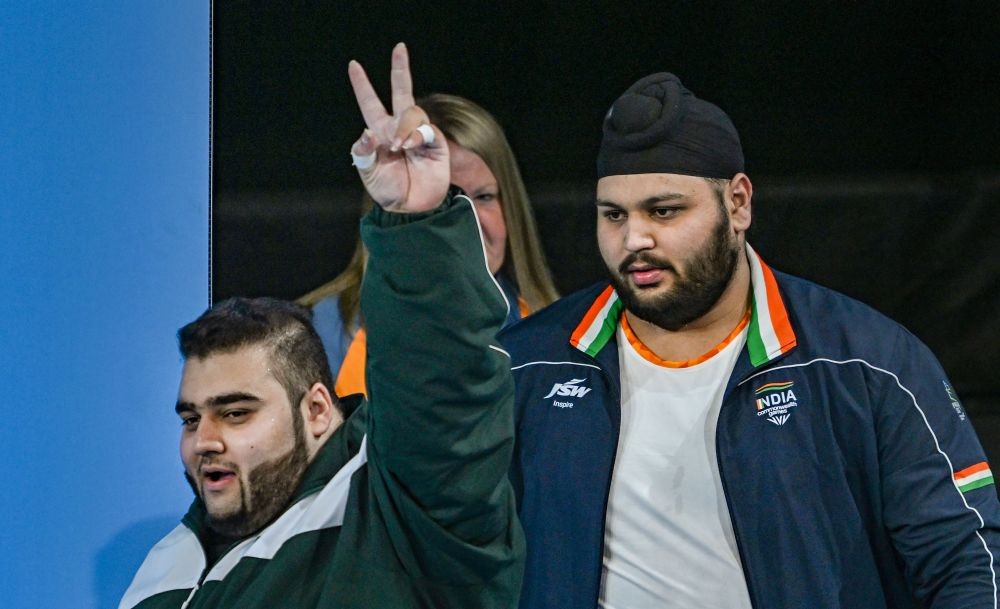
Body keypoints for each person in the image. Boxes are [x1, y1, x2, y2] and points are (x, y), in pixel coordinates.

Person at [498, 73, 1000, 608]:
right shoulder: (531, 364)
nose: (634, 239)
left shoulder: (868, 360)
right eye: (613, 214)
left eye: (664, 210)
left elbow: (967, 557)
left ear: (737, 204)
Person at [119, 43, 524, 609]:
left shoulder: (398, 516)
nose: (203, 441)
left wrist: (418, 224)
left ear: (315, 409)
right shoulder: (167, 568)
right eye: (192, 418)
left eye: (236, 413)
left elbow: (441, 401)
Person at [299, 93, 558, 397]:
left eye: (485, 196)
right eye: (445, 200)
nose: (468, 220)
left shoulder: (559, 333)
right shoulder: (314, 338)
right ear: (392, 211)